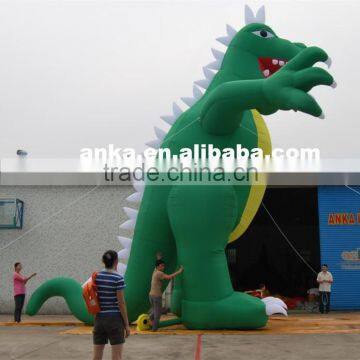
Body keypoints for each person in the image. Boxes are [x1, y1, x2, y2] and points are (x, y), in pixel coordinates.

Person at [93, 250, 130, 360]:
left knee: (96, 357)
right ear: (116, 261)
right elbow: (121, 303)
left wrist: (95, 320)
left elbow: (95, 299)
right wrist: (127, 325)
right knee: (116, 357)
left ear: (103, 261)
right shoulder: (118, 278)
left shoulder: (96, 277)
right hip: (114, 319)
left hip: (99, 318)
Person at [149, 259, 183, 331]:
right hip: (156, 296)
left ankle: (149, 319)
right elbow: (169, 277)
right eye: (162, 266)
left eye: (163, 265)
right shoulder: (159, 273)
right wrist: (179, 271)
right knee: (157, 314)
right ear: (158, 266)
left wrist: (159, 258)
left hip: (151, 295)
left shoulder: (155, 271)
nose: (163, 267)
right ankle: (154, 329)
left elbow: (157, 265)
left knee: (155, 311)